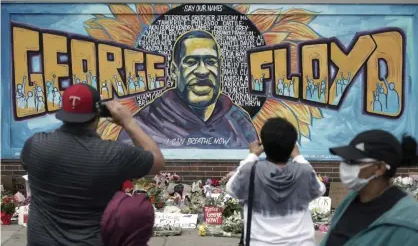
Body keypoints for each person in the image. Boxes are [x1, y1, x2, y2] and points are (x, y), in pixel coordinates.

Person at [20, 83, 164, 246]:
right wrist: (128, 122)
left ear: (63, 112)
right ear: (98, 114)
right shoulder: (114, 154)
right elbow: (156, 160)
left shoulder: (35, 145)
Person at [117, 30, 258, 148]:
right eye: (191, 62)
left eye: (210, 62)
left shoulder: (238, 120)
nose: (203, 71)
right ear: (174, 70)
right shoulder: (145, 123)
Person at [225, 117, 326, 246]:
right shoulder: (304, 172)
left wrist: (252, 155)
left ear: (264, 146)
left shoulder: (250, 172)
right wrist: (298, 156)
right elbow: (320, 189)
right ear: (292, 146)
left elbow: (230, 188)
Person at [321, 130, 418, 246]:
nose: (345, 166)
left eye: (352, 161)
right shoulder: (351, 200)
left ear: (379, 168)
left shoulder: (408, 225)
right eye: (345, 160)